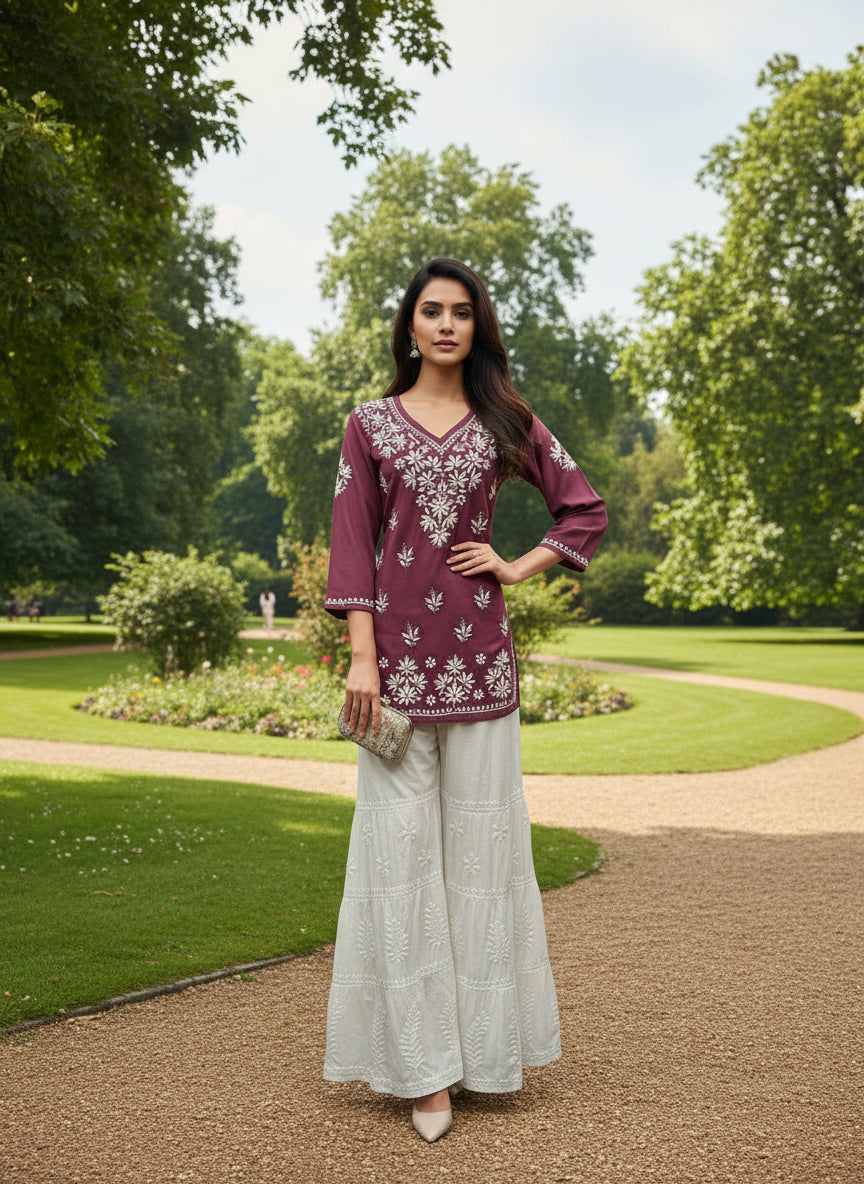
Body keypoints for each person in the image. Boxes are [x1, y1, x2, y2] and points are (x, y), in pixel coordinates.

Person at [323, 258, 607, 1142]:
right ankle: (423, 1072)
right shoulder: (368, 426)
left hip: (482, 671)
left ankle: (483, 1056)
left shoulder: (505, 421)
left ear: (477, 328)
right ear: (408, 326)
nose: (446, 324)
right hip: (394, 679)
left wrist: (517, 564)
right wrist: (362, 660)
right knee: (399, 863)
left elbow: (582, 510)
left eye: (462, 313)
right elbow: (353, 547)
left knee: (483, 861)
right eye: (431, 311)